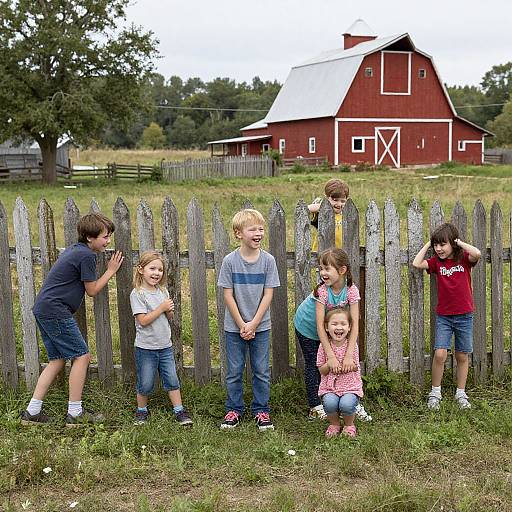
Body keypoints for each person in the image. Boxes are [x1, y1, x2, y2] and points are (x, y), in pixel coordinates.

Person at [21, 213, 124, 427]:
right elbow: (92, 290)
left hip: (44, 308)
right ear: (89, 237)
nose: (108, 241)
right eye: (105, 237)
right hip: (55, 310)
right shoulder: (86, 256)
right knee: (82, 356)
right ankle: (75, 412)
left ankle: (32, 412)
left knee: (57, 360)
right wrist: (111, 271)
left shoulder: (75, 250)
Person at [217, 209, 280, 431]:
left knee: (261, 370)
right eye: (252, 229)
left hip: (260, 327)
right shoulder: (230, 261)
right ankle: (234, 408)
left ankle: (261, 410)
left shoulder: (268, 261)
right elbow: (227, 295)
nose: (258, 233)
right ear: (238, 233)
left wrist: (253, 324)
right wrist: (242, 324)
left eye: (261, 228)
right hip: (234, 328)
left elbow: (268, 295)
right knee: (234, 370)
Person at [294, 248, 371, 421]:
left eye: (327, 269)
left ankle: (350, 401)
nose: (323, 273)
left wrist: (350, 354)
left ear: (342, 270)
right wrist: (329, 355)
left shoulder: (351, 291)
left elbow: (355, 324)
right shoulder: (322, 291)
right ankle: (315, 405)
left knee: (344, 361)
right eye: (321, 268)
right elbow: (320, 326)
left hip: (333, 329)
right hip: (307, 328)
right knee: (315, 364)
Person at [412, 222, 481, 410]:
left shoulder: (465, 259)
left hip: (465, 315)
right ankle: (435, 392)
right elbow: (416, 263)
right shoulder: (436, 262)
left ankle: (461, 393)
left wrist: (460, 243)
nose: (438, 249)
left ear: (453, 244)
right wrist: (428, 244)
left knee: (462, 355)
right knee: (440, 353)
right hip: (444, 316)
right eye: (436, 245)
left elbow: (478, 254)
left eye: (443, 244)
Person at [130, 250, 192, 426]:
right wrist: (162, 308)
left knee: (172, 379)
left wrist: (168, 309)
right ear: (141, 269)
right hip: (146, 348)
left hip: (165, 346)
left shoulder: (162, 291)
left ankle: (179, 411)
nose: (157, 273)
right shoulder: (138, 294)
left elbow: (169, 316)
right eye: (152, 269)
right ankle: (141, 411)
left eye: (160, 270)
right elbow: (142, 321)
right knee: (146, 381)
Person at [317, 308, 363, 438]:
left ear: (349, 328)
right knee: (329, 402)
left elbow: (355, 366)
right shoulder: (323, 346)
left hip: (349, 386)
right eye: (334, 324)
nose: (339, 327)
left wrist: (346, 366)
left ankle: (349, 425)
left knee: (346, 404)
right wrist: (330, 365)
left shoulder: (352, 345)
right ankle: (334, 424)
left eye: (343, 324)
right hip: (330, 387)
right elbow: (321, 369)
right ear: (326, 327)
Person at [308, 178, 349, 252]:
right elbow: (306, 209)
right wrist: (323, 206)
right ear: (327, 198)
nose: (339, 204)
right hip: (321, 251)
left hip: (340, 253)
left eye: (343, 201)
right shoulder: (322, 213)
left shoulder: (347, 216)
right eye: (335, 200)